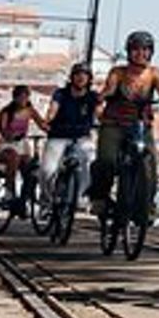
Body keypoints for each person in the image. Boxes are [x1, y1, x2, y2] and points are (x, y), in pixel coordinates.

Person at [91, 31, 159, 222]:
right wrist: (103, 96)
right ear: (128, 51)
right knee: (106, 161)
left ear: (151, 52)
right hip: (114, 124)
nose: (140, 54)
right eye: (135, 49)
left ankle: (145, 208)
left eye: (145, 50)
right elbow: (109, 89)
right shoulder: (118, 72)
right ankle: (100, 198)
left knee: (149, 168)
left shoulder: (154, 73)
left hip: (141, 125)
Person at [40, 63, 100, 213]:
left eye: (84, 75)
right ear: (72, 77)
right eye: (77, 74)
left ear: (89, 79)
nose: (81, 78)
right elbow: (53, 109)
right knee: (48, 170)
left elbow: (100, 113)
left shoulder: (92, 97)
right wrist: (49, 119)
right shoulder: (61, 93)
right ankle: (47, 201)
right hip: (58, 136)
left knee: (90, 161)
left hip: (81, 138)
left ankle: (80, 197)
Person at [0, 85, 48, 214]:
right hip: (7, 145)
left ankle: (24, 198)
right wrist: (11, 135)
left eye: (26, 97)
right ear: (15, 98)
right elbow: (2, 129)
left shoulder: (30, 111)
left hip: (22, 145)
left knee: (30, 168)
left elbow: (42, 124)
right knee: (14, 158)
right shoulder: (6, 112)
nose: (23, 99)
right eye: (21, 97)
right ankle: (9, 192)